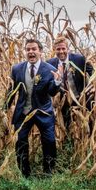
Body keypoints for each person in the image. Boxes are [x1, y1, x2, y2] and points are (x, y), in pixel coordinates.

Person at [6, 39, 60, 178]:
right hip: (23, 111)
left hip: (43, 112)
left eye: (34, 49)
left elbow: (52, 93)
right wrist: (5, 107)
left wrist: (57, 82)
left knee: (49, 141)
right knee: (20, 142)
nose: (31, 52)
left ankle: (48, 173)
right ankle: (25, 174)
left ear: (40, 51)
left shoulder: (50, 69)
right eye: (28, 49)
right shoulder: (17, 69)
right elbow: (11, 91)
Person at [46, 36, 94, 128]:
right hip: (62, 102)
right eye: (58, 49)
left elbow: (92, 73)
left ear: (68, 49)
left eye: (63, 48)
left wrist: (92, 87)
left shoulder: (79, 59)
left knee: (85, 126)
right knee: (66, 127)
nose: (61, 51)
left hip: (81, 99)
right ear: (54, 50)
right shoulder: (50, 64)